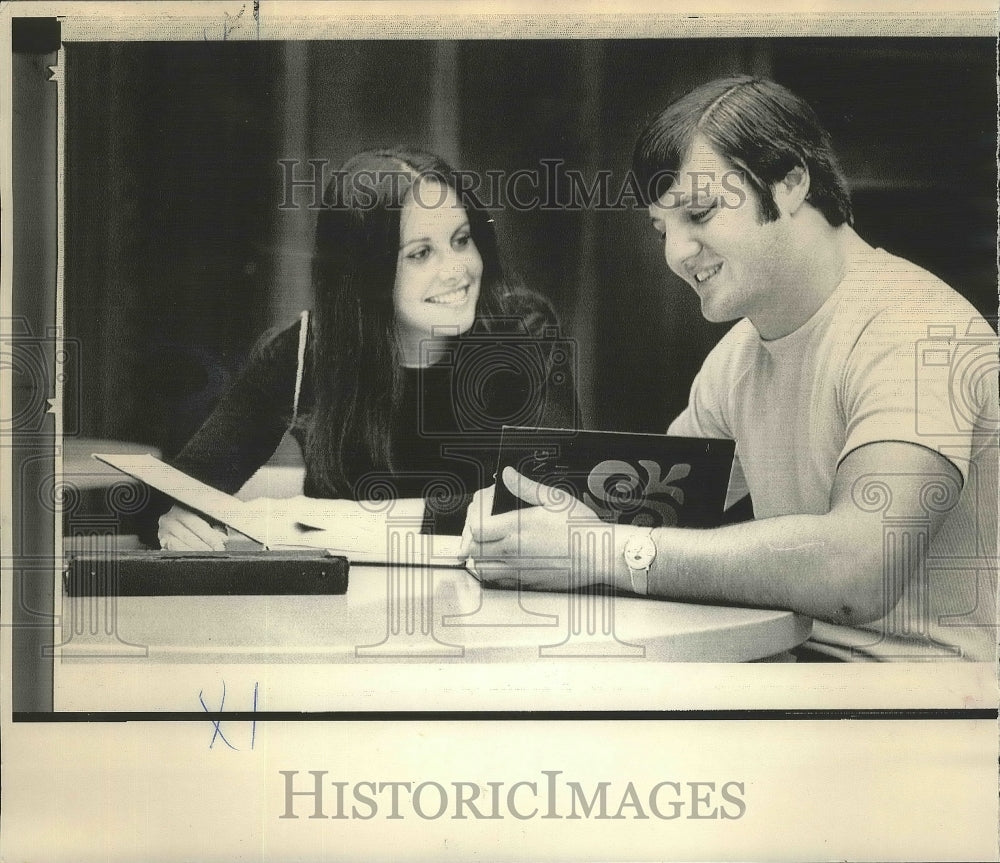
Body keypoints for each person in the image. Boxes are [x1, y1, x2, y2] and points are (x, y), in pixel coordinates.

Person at [465, 76, 998, 662]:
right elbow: (650, 518)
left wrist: (601, 548)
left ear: (791, 181)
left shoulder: (914, 327)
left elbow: (859, 570)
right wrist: (546, 519)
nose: (676, 253)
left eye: (700, 212)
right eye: (662, 228)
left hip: (933, 715)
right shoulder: (741, 353)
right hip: (798, 681)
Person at [157, 147, 577, 551]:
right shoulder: (307, 350)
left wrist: (325, 518)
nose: (457, 269)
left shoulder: (521, 328)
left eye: (462, 239)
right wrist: (178, 517)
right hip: (340, 606)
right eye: (421, 253)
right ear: (365, 274)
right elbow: (178, 491)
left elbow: (549, 501)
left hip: (487, 605)